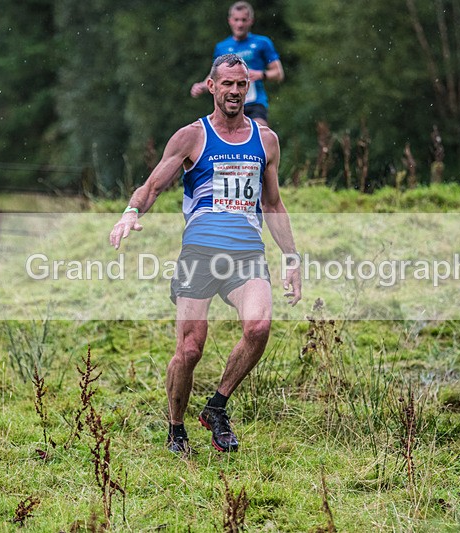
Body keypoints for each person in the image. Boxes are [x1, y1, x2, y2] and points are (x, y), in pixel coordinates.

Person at [110, 54, 301, 456]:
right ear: (212, 86)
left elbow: (274, 204)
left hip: (247, 253)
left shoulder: (265, 140)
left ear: (248, 88)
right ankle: (176, 427)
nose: (234, 92)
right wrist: (129, 213)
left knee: (259, 328)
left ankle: (216, 408)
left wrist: (292, 257)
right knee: (191, 349)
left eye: (241, 84)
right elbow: (153, 185)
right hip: (199, 253)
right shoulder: (191, 137)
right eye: (227, 84)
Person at [190, 1, 284, 126]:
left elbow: (279, 74)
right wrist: (202, 86)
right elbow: (214, 76)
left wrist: (261, 74)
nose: (240, 24)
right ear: (230, 21)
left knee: (259, 134)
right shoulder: (222, 47)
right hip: (229, 102)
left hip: (255, 103)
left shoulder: (262, 43)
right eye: (236, 19)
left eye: (244, 20)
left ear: (251, 21)